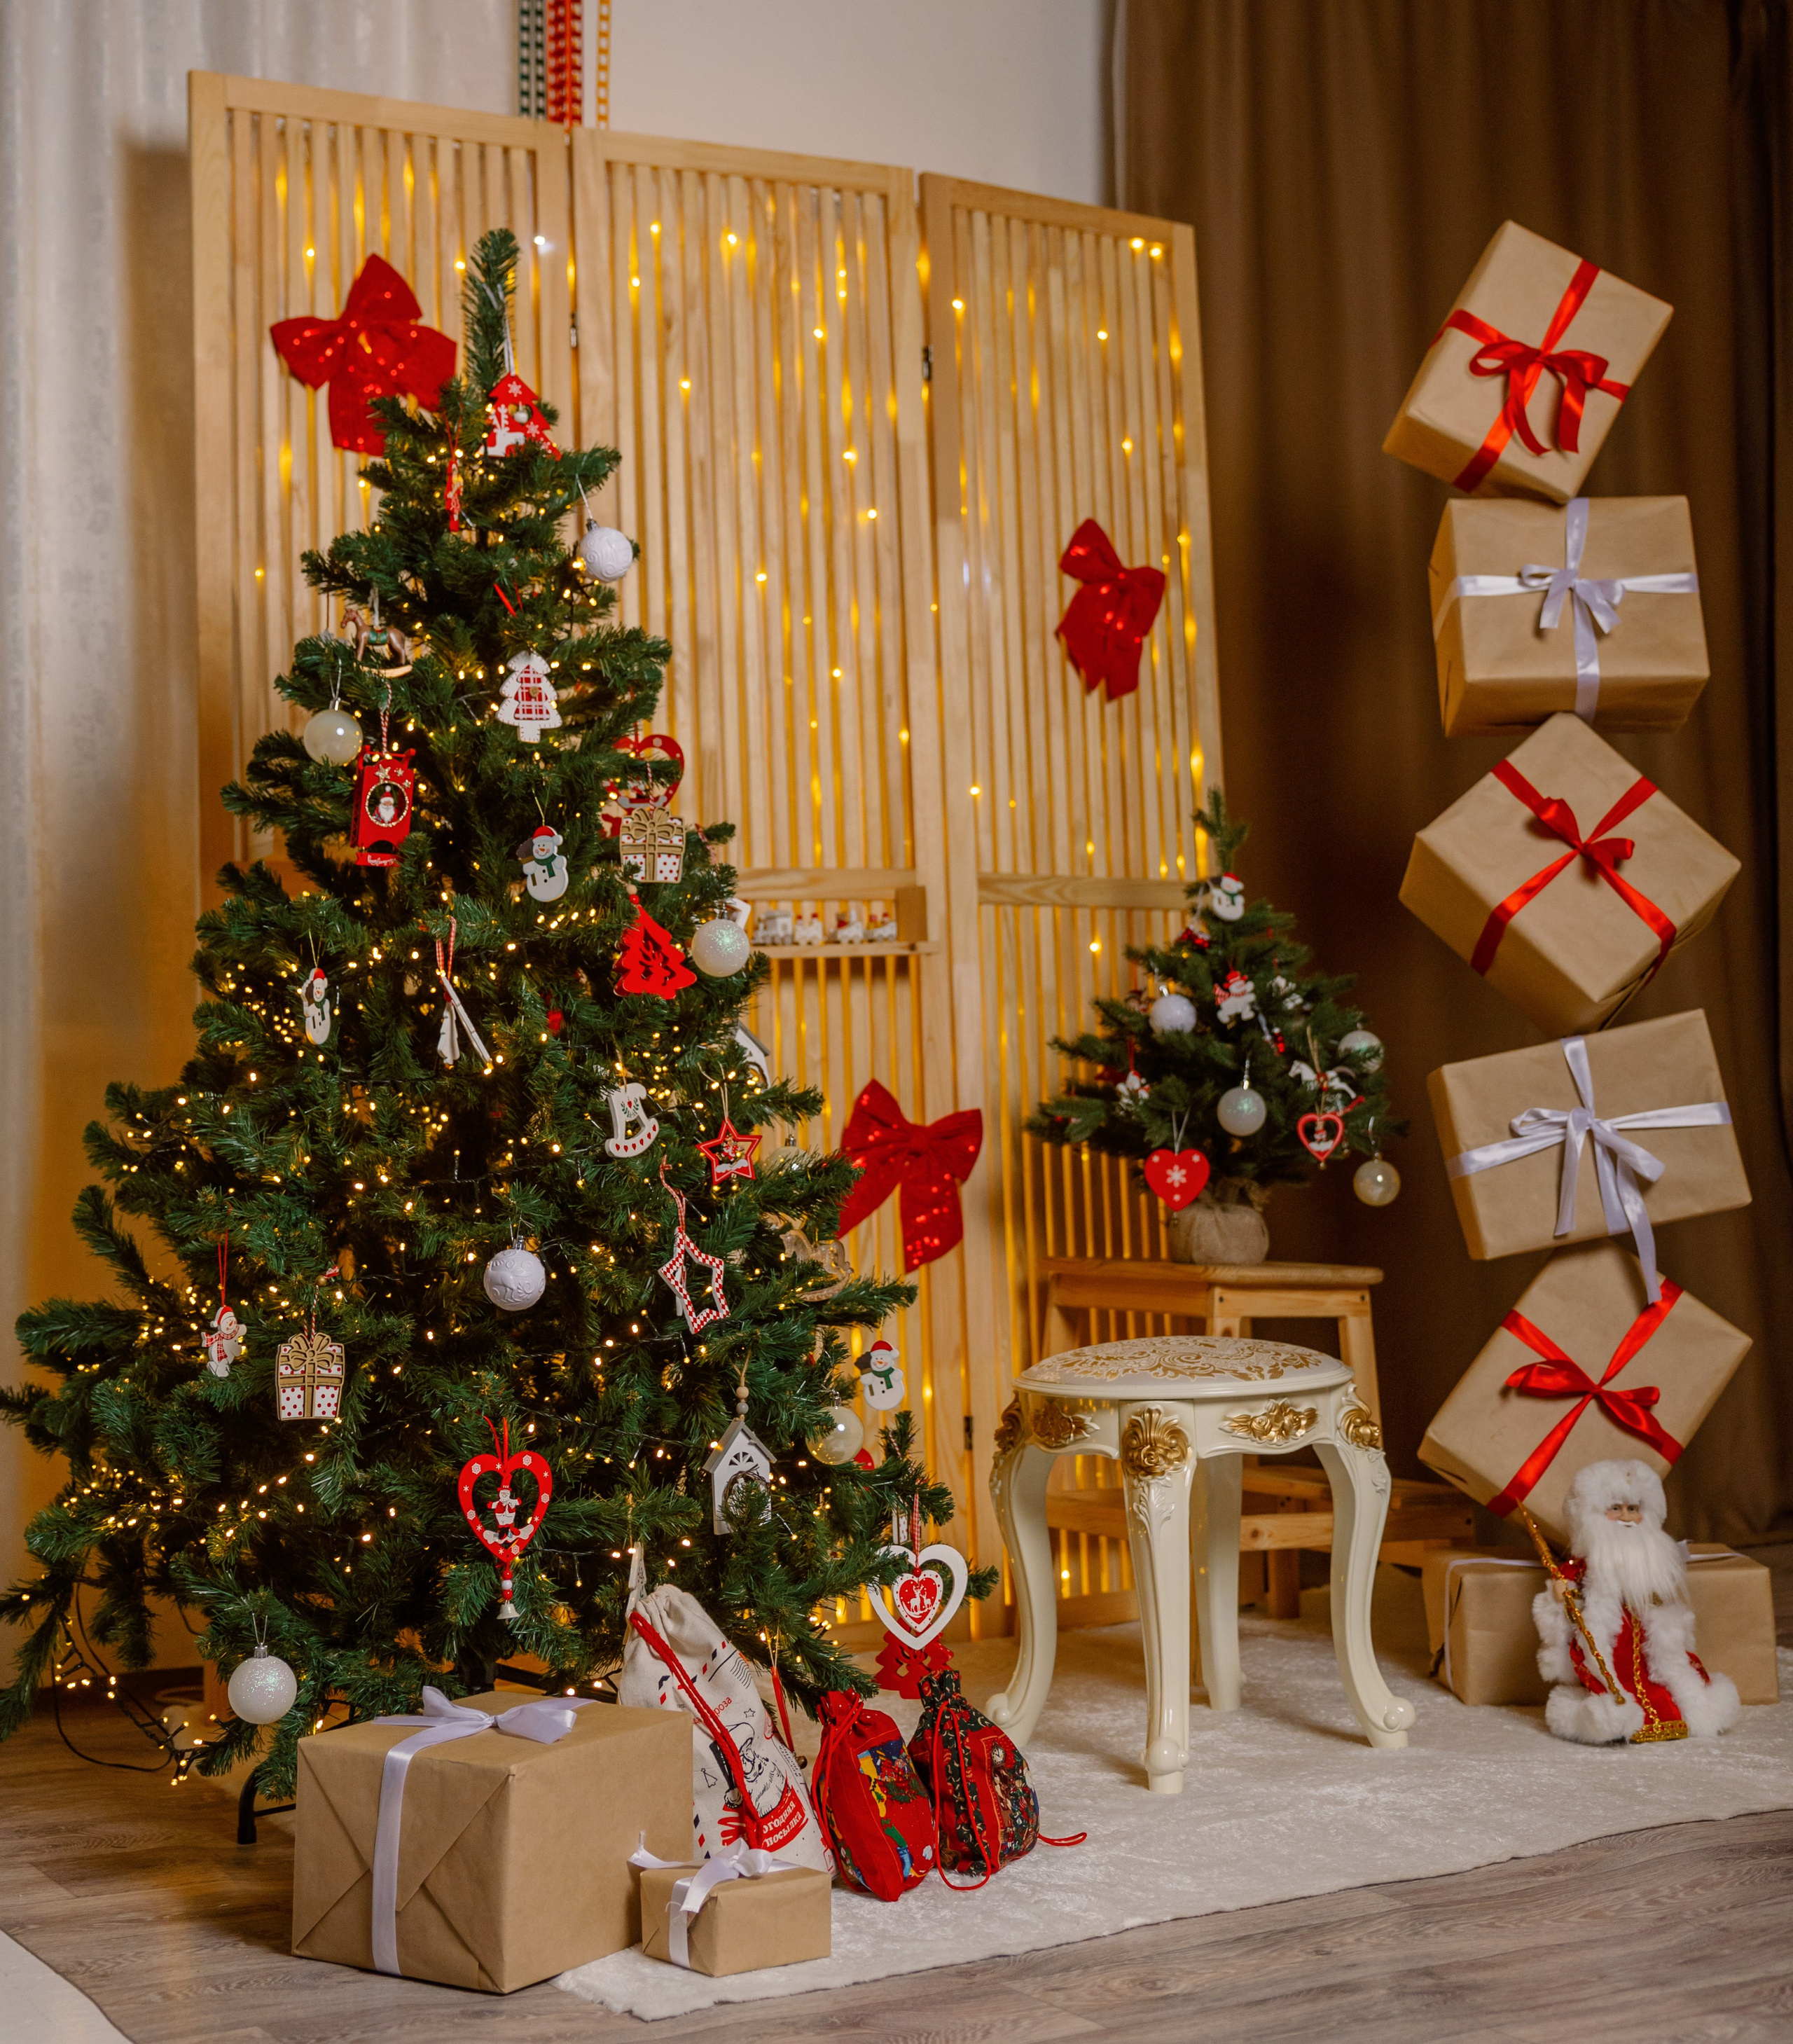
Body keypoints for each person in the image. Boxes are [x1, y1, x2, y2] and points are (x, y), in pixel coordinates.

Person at [1533, 1458, 1740, 1743]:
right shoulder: (1583, 1568)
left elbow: (1672, 1609)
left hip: (1648, 1642)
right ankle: (1606, 1716)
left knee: (1669, 1677)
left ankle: (1688, 1709)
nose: (1626, 1517)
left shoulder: (1654, 1563)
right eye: (1615, 1509)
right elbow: (1563, 1604)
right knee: (1606, 1678)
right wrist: (1561, 1594)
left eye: (1633, 1509)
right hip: (1610, 1646)